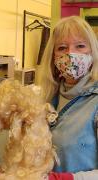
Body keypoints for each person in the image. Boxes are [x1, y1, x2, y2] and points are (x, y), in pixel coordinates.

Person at [39, 16, 98, 180]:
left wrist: (68, 178)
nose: (71, 54)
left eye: (80, 46)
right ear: (53, 56)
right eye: (62, 48)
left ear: (92, 52)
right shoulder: (45, 97)